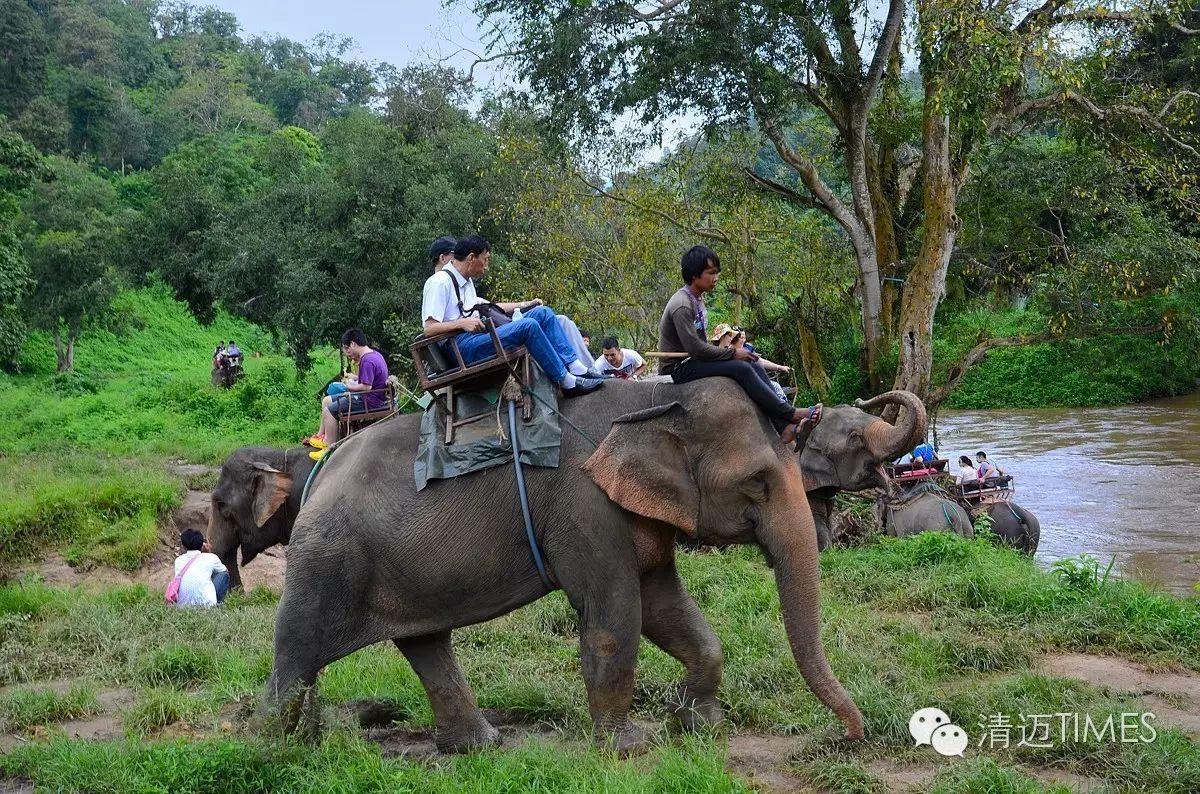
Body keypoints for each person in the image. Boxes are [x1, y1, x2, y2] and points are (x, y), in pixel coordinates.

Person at [658, 245, 819, 443]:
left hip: (694, 361)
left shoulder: (696, 300)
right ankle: (791, 414)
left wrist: (733, 354)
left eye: (717, 272)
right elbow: (695, 348)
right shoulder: (682, 305)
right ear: (694, 275)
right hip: (680, 367)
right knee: (742, 368)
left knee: (752, 363)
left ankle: (783, 425)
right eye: (711, 273)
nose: (716, 278)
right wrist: (732, 354)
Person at [421, 235, 605, 396]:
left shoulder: (465, 281)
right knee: (529, 326)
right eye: (485, 259)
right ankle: (566, 382)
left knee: (542, 313)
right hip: (462, 347)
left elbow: (490, 306)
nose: (487, 266)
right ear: (471, 258)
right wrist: (462, 324)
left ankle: (576, 367)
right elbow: (429, 328)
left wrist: (526, 304)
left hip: (479, 336)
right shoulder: (439, 282)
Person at [309, 329, 390, 457]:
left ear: (353, 344)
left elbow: (366, 387)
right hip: (372, 397)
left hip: (368, 401)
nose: (347, 353)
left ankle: (329, 445)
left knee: (329, 411)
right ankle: (321, 436)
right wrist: (355, 378)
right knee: (326, 401)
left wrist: (350, 386)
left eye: (347, 349)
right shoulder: (374, 354)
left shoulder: (367, 360)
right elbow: (369, 379)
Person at [171, 528, 229, 607]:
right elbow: (224, 570)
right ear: (202, 545)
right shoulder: (211, 558)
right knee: (223, 573)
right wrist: (208, 552)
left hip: (183, 607)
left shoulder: (178, 561)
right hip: (208, 605)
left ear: (183, 546)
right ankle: (218, 604)